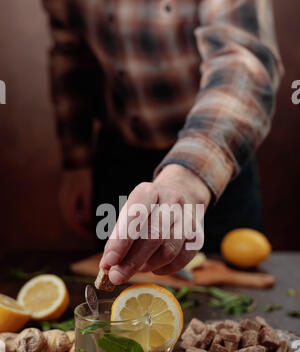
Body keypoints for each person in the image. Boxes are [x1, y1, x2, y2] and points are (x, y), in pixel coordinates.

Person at [42, 0, 283, 285]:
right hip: (117, 160)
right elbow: (71, 51)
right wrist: (77, 159)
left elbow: (243, 62)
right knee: (118, 304)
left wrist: (188, 176)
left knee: (234, 313)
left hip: (212, 163)